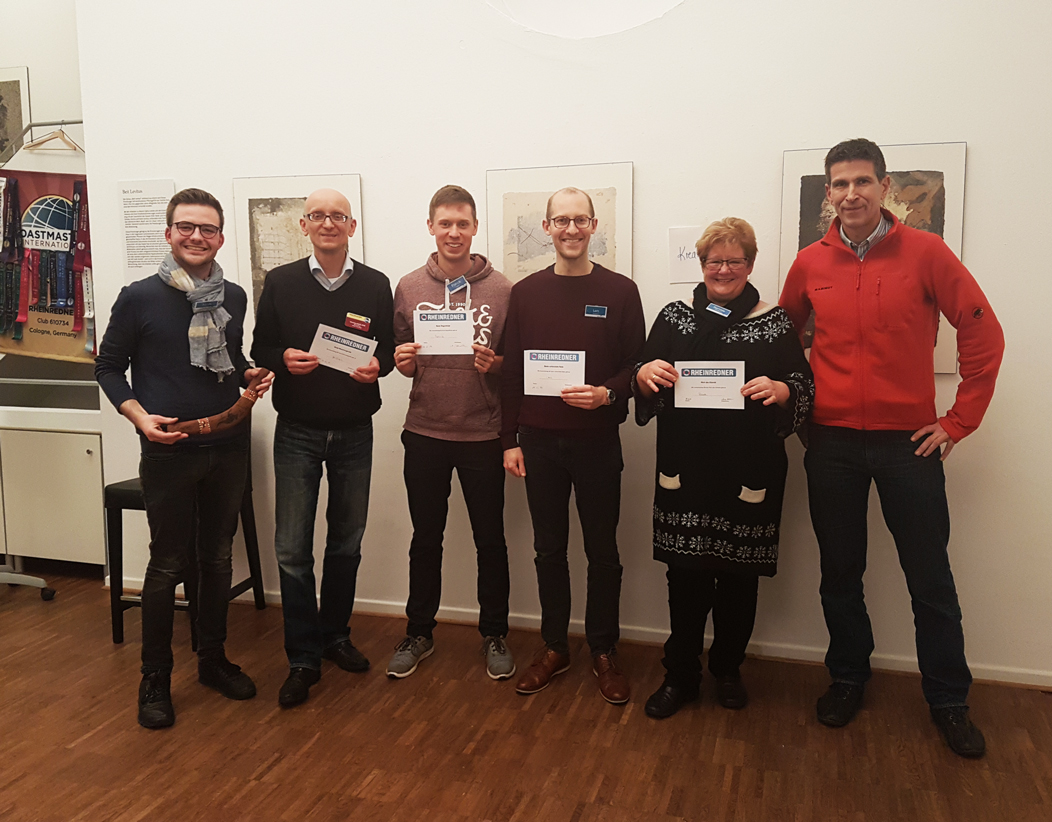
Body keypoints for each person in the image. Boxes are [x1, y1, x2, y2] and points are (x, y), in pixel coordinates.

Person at [780, 138, 1004, 758]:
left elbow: (983, 330)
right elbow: (779, 340)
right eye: (839, 184)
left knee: (930, 578)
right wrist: (795, 404)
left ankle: (949, 700)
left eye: (862, 182)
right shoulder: (809, 264)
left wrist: (958, 421)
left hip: (910, 445)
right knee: (840, 573)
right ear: (828, 193)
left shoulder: (925, 252)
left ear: (884, 188)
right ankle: (849, 677)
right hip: (831, 444)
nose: (850, 194)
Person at [96, 188, 272, 729]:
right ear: (169, 233)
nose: (198, 237)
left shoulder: (235, 296)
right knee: (167, 563)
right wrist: (138, 417)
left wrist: (247, 373)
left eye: (209, 229)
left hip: (226, 444)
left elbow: (231, 357)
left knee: (217, 558)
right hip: (168, 449)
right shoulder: (140, 296)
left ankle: (213, 661)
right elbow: (107, 366)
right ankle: (154, 678)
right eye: (187, 227)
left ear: (221, 237)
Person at [635, 217, 813, 719]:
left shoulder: (775, 321)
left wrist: (782, 391)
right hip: (684, 471)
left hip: (748, 474)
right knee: (685, 578)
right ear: (702, 265)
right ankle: (680, 675)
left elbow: (804, 385)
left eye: (735, 260)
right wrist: (646, 374)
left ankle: (728, 669)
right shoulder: (674, 318)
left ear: (751, 265)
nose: (724, 269)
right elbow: (642, 374)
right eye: (715, 260)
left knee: (739, 581)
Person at [501, 187, 645, 704]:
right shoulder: (526, 293)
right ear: (546, 228)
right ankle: (555, 647)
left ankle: (604, 650)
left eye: (579, 220)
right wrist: (508, 440)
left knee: (603, 552)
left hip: (597, 442)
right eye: (560, 221)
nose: (570, 230)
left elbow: (637, 366)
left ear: (593, 226)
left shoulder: (622, 291)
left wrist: (607, 393)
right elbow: (512, 371)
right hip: (538, 442)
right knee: (548, 549)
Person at [251, 188, 394, 707]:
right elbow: (259, 346)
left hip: (356, 431)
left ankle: (335, 635)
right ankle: (302, 656)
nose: (329, 223)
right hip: (298, 431)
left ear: (352, 227)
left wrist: (382, 365)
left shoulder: (376, 284)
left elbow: (389, 351)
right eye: (318, 216)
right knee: (291, 549)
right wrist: (282, 356)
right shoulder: (282, 282)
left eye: (339, 216)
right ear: (305, 226)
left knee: (346, 543)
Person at [387, 185, 515, 680]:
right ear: (431, 227)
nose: (454, 232)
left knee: (491, 541)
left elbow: (514, 366)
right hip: (424, 432)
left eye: (462, 224)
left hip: (483, 432)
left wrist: (496, 363)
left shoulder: (503, 290)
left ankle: (495, 634)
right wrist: (401, 361)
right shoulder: (409, 286)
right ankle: (419, 632)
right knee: (426, 538)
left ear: (475, 227)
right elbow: (403, 358)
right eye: (445, 224)